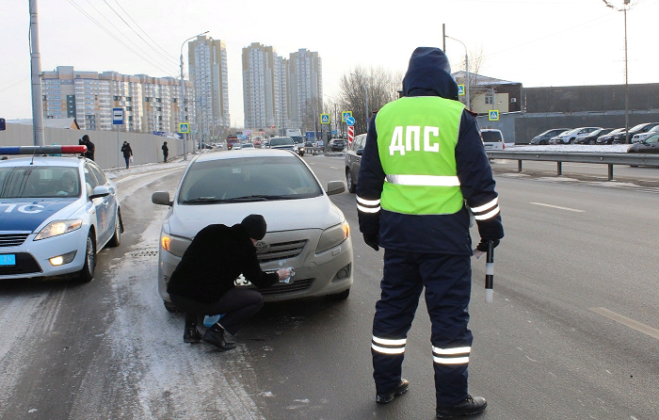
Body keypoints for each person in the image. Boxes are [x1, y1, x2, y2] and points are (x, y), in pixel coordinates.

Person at [356, 47, 504, 419]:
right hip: (445, 240)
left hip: (400, 238)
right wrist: (490, 231)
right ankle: (452, 402)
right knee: (450, 321)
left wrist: (370, 228)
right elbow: (479, 185)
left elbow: (369, 184)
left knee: (391, 314)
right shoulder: (456, 117)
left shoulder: (385, 117)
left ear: (409, 79)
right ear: (445, 79)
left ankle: (386, 386)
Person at [166, 214, 290, 351]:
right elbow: (260, 281)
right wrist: (278, 276)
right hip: (203, 301)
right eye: (257, 241)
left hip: (176, 294)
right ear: (255, 237)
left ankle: (190, 331)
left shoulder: (211, 230)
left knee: (193, 283)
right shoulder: (246, 249)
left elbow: (192, 260)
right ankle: (216, 332)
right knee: (256, 300)